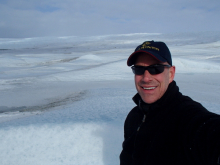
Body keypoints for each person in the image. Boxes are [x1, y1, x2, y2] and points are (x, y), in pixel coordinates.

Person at [120, 41, 220, 165]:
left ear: (171, 74)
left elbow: (209, 132)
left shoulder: (185, 116)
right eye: (139, 69)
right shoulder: (134, 117)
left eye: (156, 68)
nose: (146, 78)